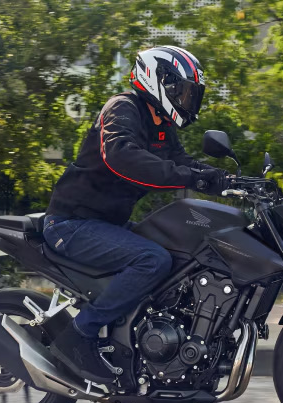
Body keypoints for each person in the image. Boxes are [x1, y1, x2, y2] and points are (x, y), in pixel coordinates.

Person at [42, 46, 228, 384]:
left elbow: (181, 162)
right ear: (159, 81)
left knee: (179, 256)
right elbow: (121, 156)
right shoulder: (122, 109)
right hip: (72, 224)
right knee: (152, 260)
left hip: (106, 224)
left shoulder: (161, 125)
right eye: (183, 92)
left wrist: (225, 179)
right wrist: (191, 177)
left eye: (191, 94)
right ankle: (79, 335)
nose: (187, 100)